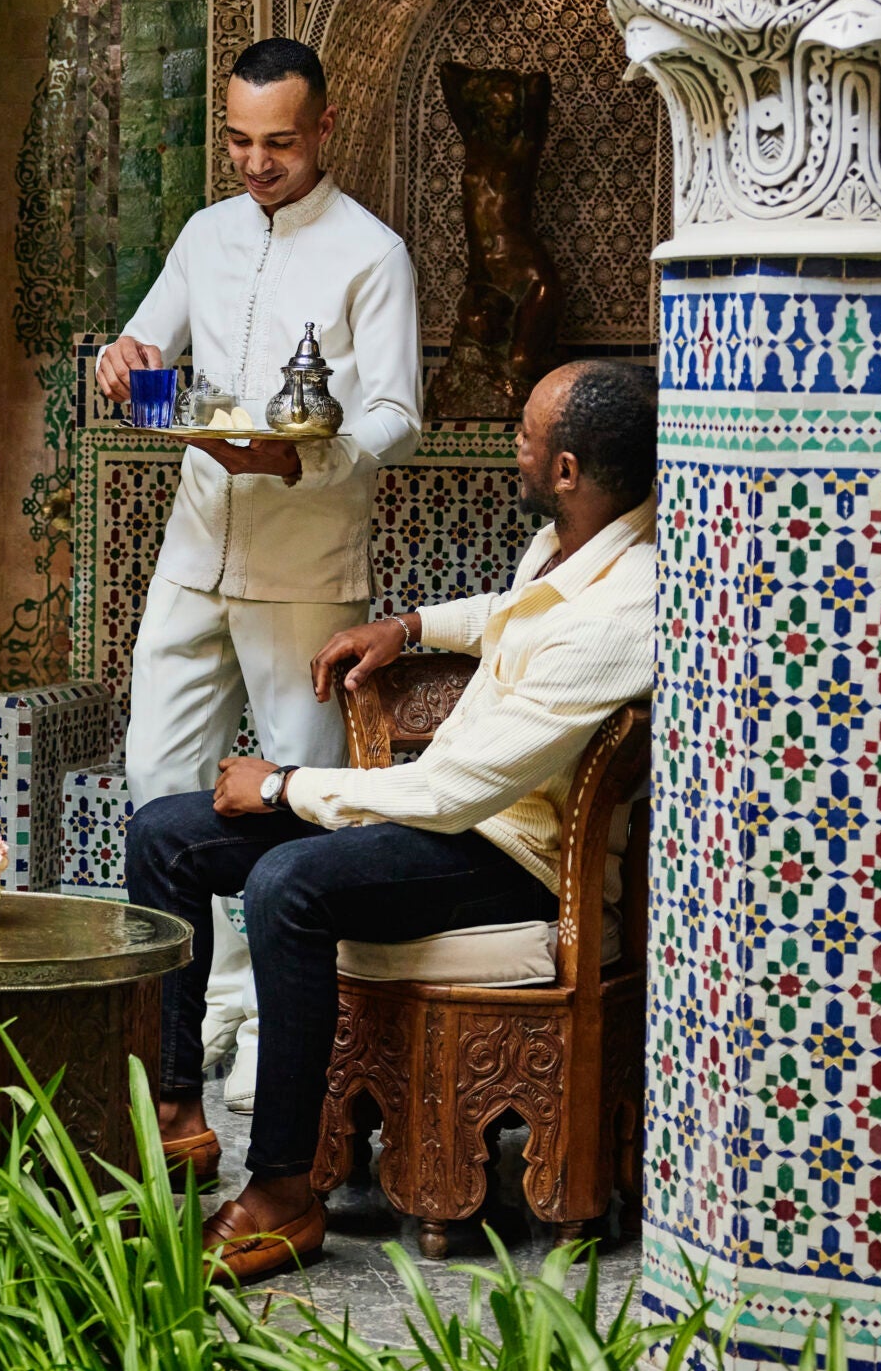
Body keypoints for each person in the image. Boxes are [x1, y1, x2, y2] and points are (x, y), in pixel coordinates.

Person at [124, 360, 659, 1278]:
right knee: (165, 835)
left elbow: (454, 796)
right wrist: (409, 628)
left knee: (288, 883)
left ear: (567, 470)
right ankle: (178, 1114)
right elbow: (508, 616)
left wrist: (286, 786)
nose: (512, 443)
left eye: (526, 434)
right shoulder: (572, 547)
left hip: (511, 857)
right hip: (450, 823)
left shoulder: (626, 609)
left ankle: (284, 1192)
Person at [95, 38, 422, 1112]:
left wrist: (312, 454)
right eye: (238, 140)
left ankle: (260, 1015)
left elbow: (395, 413)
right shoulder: (203, 234)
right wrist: (124, 359)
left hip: (305, 566)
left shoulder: (372, 253)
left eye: (278, 142)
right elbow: (147, 343)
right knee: (160, 786)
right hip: (193, 555)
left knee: (292, 798)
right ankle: (185, 1020)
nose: (254, 162)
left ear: (322, 129)